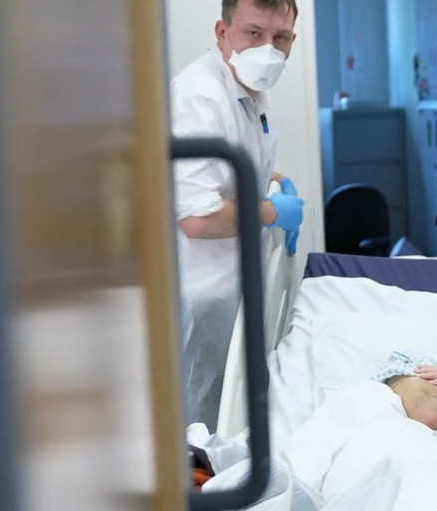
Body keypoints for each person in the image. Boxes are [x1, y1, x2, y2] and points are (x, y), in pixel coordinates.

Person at [170, 0, 305, 427]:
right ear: (222, 32)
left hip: (229, 285)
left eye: (280, 38)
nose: (268, 49)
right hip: (202, 294)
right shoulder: (198, 98)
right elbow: (198, 218)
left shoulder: (247, 89)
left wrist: (274, 184)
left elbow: (233, 168)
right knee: (202, 434)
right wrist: (270, 211)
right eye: (253, 34)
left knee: (228, 422)